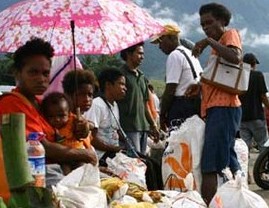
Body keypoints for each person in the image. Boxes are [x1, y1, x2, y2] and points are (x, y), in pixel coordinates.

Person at [0, 38, 97, 189]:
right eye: (33, 72)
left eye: (46, 73)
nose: (41, 79)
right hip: (32, 182)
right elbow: (42, 147)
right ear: (17, 73)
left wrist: (82, 127)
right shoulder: (12, 103)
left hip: (55, 171)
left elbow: (67, 126)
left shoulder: (41, 103)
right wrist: (84, 154)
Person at [185, 3, 242, 205]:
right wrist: (199, 86)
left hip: (224, 108)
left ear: (223, 22)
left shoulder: (229, 36)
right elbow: (218, 77)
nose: (206, 28)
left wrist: (208, 41)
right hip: (217, 108)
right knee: (228, 158)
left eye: (210, 23)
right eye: (203, 25)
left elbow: (235, 57)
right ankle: (238, 197)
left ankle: (208, 204)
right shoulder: (216, 48)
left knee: (210, 164)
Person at [151, 24, 203, 130]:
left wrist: (162, 115)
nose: (160, 46)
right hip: (196, 104)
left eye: (161, 41)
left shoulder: (174, 55)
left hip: (181, 105)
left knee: (178, 142)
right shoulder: (190, 53)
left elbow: (170, 89)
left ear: (172, 37)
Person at [118, 42, 159, 154]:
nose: (142, 57)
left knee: (142, 160)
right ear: (129, 54)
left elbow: (145, 104)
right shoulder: (121, 75)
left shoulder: (141, 77)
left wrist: (153, 125)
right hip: (128, 127)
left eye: (143, 54)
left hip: (143, 127)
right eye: (139, 53)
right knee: (133, 161)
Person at [41, 92, 92, 175]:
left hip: (79, 156)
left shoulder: (74, 120)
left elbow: (89, 125)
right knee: (65, 171)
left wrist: (85, 125)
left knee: (82, 170)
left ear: (69, 114)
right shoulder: (49, 128)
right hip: (63, 158)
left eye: (61, 116)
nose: (57, 119)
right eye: (51, 116)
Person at [83, 68, 126, 162]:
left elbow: (116, 129)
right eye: (121, 84)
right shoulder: (97, 105)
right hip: (101, 156)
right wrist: (114, 149)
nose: (124, 88)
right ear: (108, 85)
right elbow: (91, 139)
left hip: (113, 153)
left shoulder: (115, 105)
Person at [240, 53, 269, 151]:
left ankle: (244, 166)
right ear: (253, 64)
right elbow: (263, 96)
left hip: (242, 119)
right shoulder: (258, 75)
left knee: (244, 148)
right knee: (263, 145)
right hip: (257, 117)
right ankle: (263, 166)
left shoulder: (239, 76)